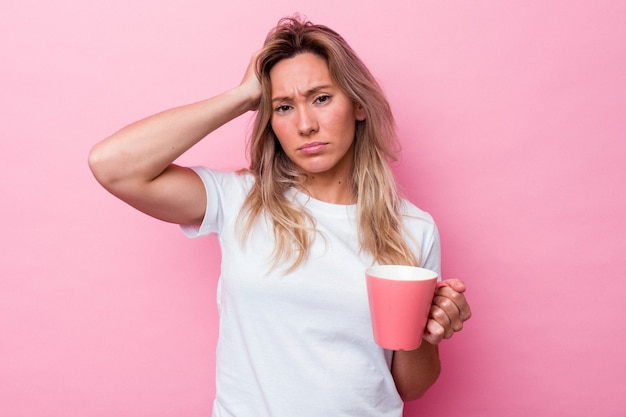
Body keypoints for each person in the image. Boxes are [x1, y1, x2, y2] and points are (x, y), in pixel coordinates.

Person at [89, 15, 471, 417]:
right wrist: (242, 96)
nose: (305, 125)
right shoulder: (241, 200)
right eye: (284, 107)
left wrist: (430, 332)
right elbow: (111, 165)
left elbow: (410, 386)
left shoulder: (412, 229)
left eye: (321, 98)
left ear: (358, 104)